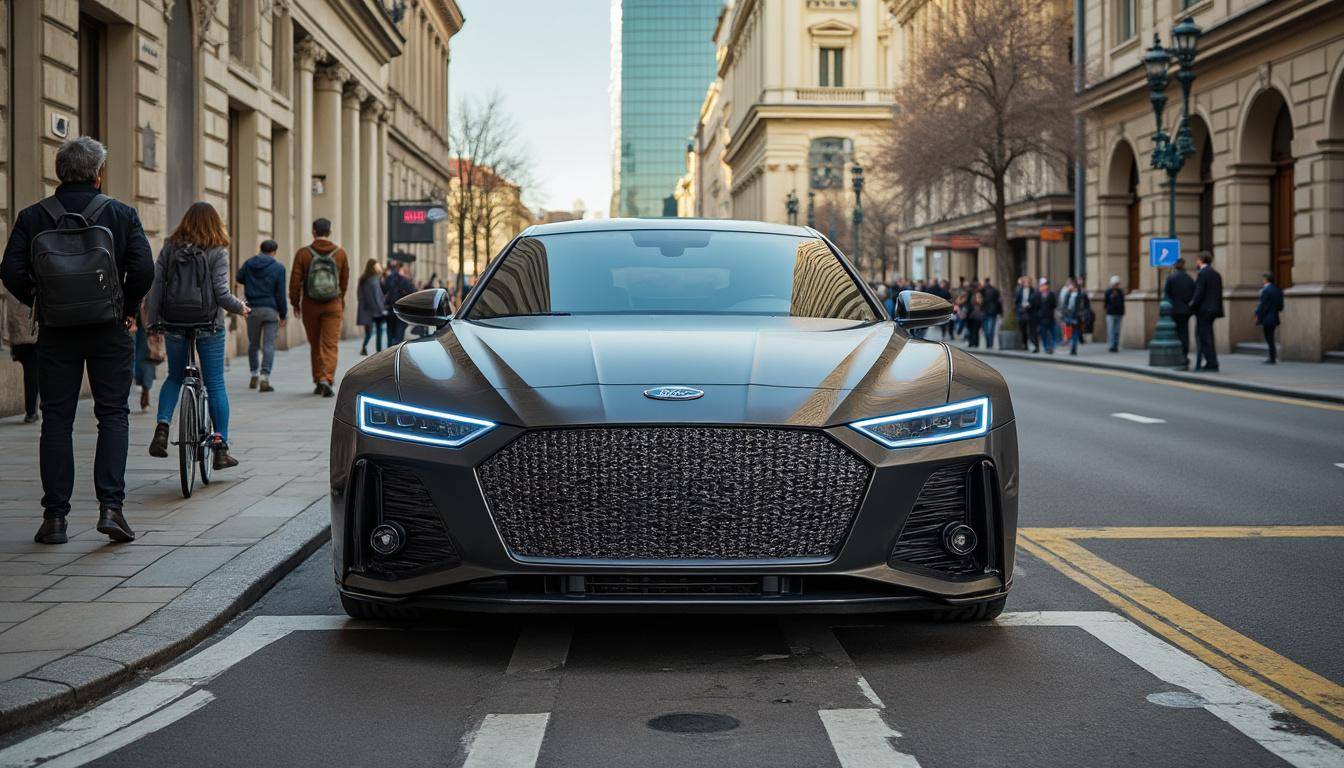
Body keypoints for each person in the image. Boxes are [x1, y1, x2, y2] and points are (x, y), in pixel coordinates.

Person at [0, 136, 155, 544]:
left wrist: (41, 300)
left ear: (59, 173)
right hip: (109, 330)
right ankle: (111, 509)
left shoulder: (33, 216)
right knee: (113, 415)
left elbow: (9, 270)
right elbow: (144, 269)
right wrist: (126, 307)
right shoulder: (121, 214)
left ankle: (55, 519)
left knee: (56, 420)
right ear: (98, 175)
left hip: (57, 331)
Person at [145, 202, 249, 470]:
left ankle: (162, 429)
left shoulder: (170, 247)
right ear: (215, 223)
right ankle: (220, 449)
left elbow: (156, 287)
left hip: (174, 323)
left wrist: (153, 322)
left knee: (174, 377)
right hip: (208, 324)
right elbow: (222, 294)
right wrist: (241, 308)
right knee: (215, 384)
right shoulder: (217, 250)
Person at [290, 218, 349, 397]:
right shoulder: (340, 254)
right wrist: (340, 300)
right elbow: (344, 281)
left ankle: (318, 378)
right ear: (330, 232)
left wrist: (295, 303)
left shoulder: (303, 254)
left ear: (313, 232)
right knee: (330, 344)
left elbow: (295, 281)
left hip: (310, 304)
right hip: (333, 304)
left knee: (315, 343)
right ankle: (327, 378)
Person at [236, 239, 287, 392]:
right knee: (269, 345)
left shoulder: (249, 263)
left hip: (252, 309)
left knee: (253, 343)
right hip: (270, 310)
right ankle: (265, 377)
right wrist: (283, 314)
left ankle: (254, 374)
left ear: (260, 249)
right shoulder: (279, 268)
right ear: (274, 252)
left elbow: (239, 277)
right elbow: (280, 293)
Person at [3, 288, 40, 423]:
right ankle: (32, 411)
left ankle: (31, 411)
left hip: (19, 335)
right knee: (34, 372)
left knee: (31, 372)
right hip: (34, 334)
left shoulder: (11, 283)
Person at [1189, 253, 1224, 372]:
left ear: (1201, 260)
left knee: (1204, 337)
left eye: (1197, 260)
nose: (1196, 262)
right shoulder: (1216, 274)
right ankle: (1211, 361)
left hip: (1204, 310)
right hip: (1213, 310)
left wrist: (1192, 305)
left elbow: (1199, 293)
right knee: (1208, 336)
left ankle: (1211, 363)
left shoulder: (1202, 274)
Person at [1164, 258, 1196, 368]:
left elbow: (1166, 294)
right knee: (1184, 333)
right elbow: (1193, 294)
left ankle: (1176, 356)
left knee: (1175, 334)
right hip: (1186, 311)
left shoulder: (1171, 278)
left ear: (1175, 265)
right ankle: (1184, 355)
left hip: (1174, 310)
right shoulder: (1189, 278)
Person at [357, 258, 387, 355]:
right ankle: (379, 351)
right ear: (373, 267)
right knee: (379, 330)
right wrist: (381, 309)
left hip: (366, 310)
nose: (379, 267)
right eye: (377, 265)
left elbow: (359, 295)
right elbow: (377, 296)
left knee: (369, 332)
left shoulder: (362, 279)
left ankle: (364, 347)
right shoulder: (374, 279)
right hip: (376, 310)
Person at [382, 261, 417, 344]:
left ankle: (390, 348)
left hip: (390, 310)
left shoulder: (388, 279)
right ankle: (395, 348)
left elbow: (383, 291)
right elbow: (413, 293)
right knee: (398, 334)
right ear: (400, 269)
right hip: (401, 311)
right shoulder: (405, 280)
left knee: (390, 333)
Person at [1254, 273, 1285, 365]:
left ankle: (1272, 358)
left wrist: (1257, 316)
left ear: (1266, 280)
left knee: (1269, 338)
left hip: (1267, 318)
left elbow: (1262, 305)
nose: (1262, 281)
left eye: (1263, 279)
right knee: (1271, 337)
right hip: (1274, 316)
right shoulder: (1278, 290)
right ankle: (1272, 357)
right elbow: (1280, 306)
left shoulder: (1266, 290)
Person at [132, 303, 157, 410]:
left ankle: (144, 385)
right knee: (145, 354)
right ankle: (145, 386)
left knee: (141, 353)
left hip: (139, 314)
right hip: (143, 314)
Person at [1061, 277, 1091, 356]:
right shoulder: (1068, 295)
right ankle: (1072, 346)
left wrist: (1082, 315)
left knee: (1075, 333)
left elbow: (1085, 306)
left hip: (1076, 317)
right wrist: (1065, 314)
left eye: (1071, 286)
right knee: (1069, 333)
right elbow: (1064, 306)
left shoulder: (1081, 295)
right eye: (1070, 286)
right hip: (1069, 317)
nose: (1070, 287)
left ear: (1075, 287)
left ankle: (1073, 348)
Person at [1014, 277, 1041, 352]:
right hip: (1021, 312)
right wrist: (1019, 308)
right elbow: (1016, 301)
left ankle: (1036, 346)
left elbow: (1036, 302)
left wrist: (1030, 305)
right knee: (1023, 330)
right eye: (1025, 282)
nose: (1026, 283)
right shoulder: (1019, 291)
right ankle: (1024, 345)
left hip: (1031, 313)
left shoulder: (1033, 291)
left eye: (1028, 282)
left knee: (1032, 330)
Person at [1103, 275, 1126, 352]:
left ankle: (1116, 345)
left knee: (1117, 331)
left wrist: (1122, 311)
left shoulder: (1120, 292)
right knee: (1110, 330)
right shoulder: (1108, 292)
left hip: (1119, 313)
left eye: (1117, 284)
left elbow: (1122, 302)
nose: (1116, 285)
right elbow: (1106, 302)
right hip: (1110, 313)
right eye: (1115, 284)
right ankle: (1111, 345)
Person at [1036, 278, 1058, 354]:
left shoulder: (1051, 294)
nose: (1043, 287)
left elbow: (1054, 305)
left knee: (1053, 333)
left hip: (1050, 317)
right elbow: (1036, 306)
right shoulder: (1038, 295)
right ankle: (1046, 347)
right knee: (1044, 334)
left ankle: (1051, 346)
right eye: (1041, 285)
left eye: (1044, 285)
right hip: (1042, 317)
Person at [980, 277, 1001, 349]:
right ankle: (990, 343)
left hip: (987, 311)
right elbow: (998, 302)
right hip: (992, 311)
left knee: (987, 329)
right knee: (990, 329)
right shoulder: (995, 290)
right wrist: (999, 312)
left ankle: (988, 344)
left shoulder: (983, 290)